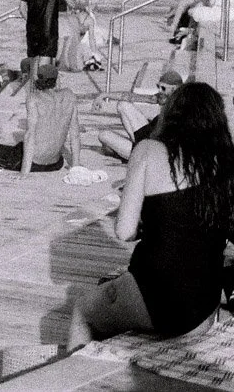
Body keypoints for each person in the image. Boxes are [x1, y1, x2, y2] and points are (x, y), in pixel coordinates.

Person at [68, 82, 234, 349]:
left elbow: (124, 231)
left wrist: (152, 225)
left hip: (158, 296)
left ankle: (73, 369)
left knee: (83, 312)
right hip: (204, 306)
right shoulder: (225, 161)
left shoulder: (147, 150)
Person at [0, 63, 80, 173]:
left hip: (34, 164)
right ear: (57, 79)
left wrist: (24, 172)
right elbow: (75, 134)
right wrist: (76, 165)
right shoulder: (69, 95)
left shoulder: (34, 99)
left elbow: (30, 135)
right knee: (19, 143)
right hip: (56, 163)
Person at [97, 70, 183, 162]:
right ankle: (132, 148)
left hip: (150, 152)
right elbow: (130, 97)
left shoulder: (181, 109)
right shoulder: (165, 97)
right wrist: (104, 95)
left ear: (174, 89)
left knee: (104, 135)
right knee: (123, 104)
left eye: (163, 88)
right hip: (148, 139)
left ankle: (132, 154)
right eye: (158, 87)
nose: (159, 91)